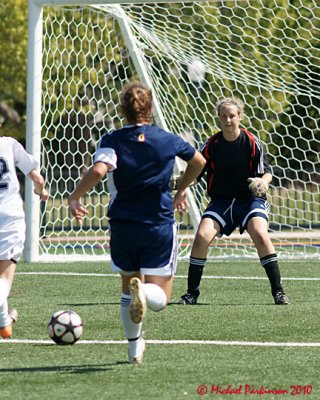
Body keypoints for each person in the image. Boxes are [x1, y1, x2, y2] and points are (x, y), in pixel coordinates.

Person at [68, 82, 206, 364]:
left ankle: (133, 349)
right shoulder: (167, 139)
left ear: (123, 109)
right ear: (150, 107)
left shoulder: (112, 139)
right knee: (161, 298)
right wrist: (182, 188)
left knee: (126, 289)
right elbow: (199, 161)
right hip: (158, 223)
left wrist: (75, 196)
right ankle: (143, 293)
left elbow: (98, 170)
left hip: (123, 225)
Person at [177, 97, 289, 306]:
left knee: (260, 233)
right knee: (201, 236)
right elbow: (196, 171)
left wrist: (262, 182)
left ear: (240, 116)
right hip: (221, 201)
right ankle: (191, 293)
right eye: (223, 116)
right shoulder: (211, 145)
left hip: (249, 200)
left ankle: (279, 291)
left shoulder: (251, 142)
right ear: (218, 118)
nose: (228, 120)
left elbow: (267, 173)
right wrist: (183, 184)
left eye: (232, 116)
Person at [0, 136, 48, 339]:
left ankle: (4, 323)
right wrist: (41, 190)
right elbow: (37, 178)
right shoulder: (8, 144)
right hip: (9, 218)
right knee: (3, 277)